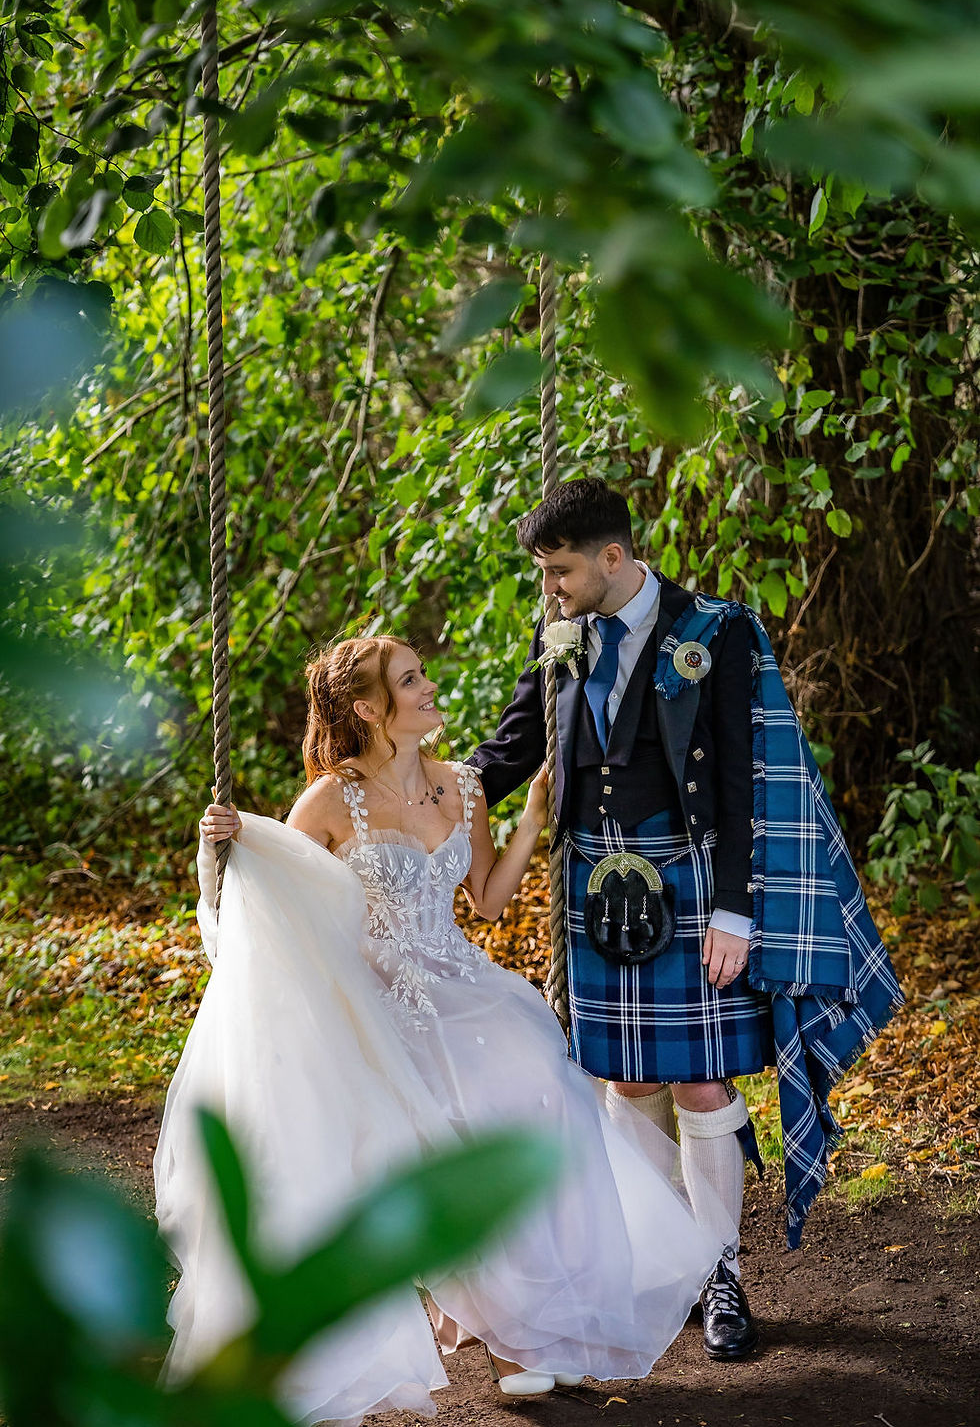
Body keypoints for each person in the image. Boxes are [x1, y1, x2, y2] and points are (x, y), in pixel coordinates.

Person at [155, 634, 737, 1427]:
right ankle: (498, 1332)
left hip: (466, 989)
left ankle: (520, 1321)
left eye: (424, 672)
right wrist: (219, 849)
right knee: (435, 1123)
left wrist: (533, 818)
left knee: (539, 1088)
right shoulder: (329, 801)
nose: (430, 687)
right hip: (375, 1001)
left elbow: (490, 901)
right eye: (410, 680)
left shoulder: (461, 787)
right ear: (369, 709)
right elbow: (273, 908)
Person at [469, 477, 904, 1361]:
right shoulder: (561, 635)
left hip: (692, 887)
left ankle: (720, 1273)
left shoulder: (719, 633)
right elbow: (515, 743)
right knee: (627, 1084)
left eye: (559, 570)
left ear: (614, 559)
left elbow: (747, 782)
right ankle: (658, 1264)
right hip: (598, 891)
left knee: (704, 1086)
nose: (548, 587)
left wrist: (737, 912)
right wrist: (413, 792)